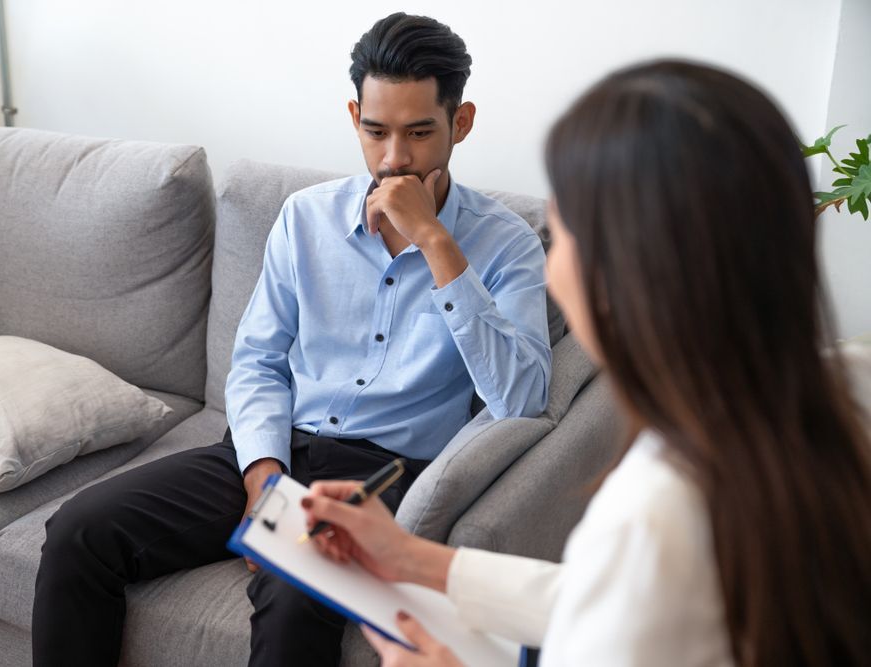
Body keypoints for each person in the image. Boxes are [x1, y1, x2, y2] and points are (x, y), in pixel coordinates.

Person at [301, 60, 871, 666]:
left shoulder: (655, 507)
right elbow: (613, 600)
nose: (552, 266)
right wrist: (411, 557)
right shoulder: (848, 386)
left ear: (627, 272)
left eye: (565, 232)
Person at [30, 12, 553, 667]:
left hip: (379, 475)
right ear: (353, 116)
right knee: (78, 531)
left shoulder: (508, 244)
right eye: (376, 131)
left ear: (462, 122)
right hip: (269, 447)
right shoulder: (305, 218)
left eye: (420, 132)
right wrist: (262, 472)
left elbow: (523, 399)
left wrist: (438, 244)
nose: (394, 157)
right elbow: (256, 360)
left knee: (295, 593)